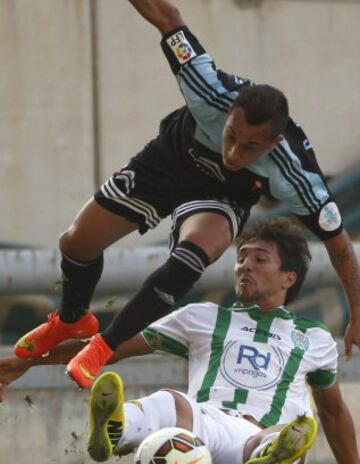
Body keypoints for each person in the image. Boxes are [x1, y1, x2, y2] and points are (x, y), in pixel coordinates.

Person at [13, 1, 360, 392]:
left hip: (220, 196)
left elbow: (339, 244)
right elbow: (168, 18)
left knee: (188, 259)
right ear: (227, 112)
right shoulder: (206, 87)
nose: (234, 153)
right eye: (231, 136)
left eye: (250, 148)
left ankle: (102, 347)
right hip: (165, 164)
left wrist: (358, 309)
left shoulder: (295, 173)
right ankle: (72, 318)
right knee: (76, 242)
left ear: (274, 143)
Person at [2, 218, 360, 464]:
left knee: (292, 433)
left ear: (289, 277)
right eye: (241, 258)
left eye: (259, 259)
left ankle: (265, 457)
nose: (244, 266)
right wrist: (26, 360)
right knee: (167, 401)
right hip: (200, 438)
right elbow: (108, 348)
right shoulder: (202, 317)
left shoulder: (314, 338)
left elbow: (332, 410)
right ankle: (115, 429)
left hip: (263, 433)